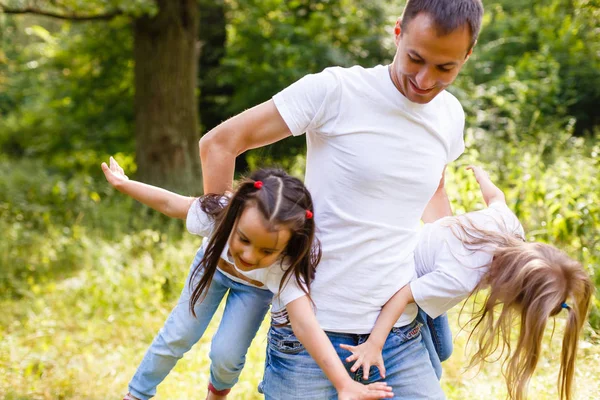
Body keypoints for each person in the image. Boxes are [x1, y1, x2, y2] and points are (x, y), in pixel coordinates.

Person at [198, 0, 484, 398]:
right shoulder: (336, 90)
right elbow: (219, 143)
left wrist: (460, 257)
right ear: (398, 32)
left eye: (444, 68)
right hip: (308, 336)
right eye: (415, 59)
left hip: (398, 336)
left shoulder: (450, 115)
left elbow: (433, 192)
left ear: (467, 56)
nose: (423, 79)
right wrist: (233, 246)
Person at [101, 158, 393, 400]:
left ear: (286, 247)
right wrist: (124, 184)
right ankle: (137, 394)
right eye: (244, 239)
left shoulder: (283, 266)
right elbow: (169, 203)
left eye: (266, 250)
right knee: (179, 333)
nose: (250, 257)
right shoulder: (219, 213)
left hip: (253, 291)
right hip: (211, 269)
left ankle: (216, 394)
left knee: (226, 354)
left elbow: (304, 325)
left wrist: (343, 383)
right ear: (236, 216)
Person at [341, 165, 593, 400]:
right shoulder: (460, 278)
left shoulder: (511, 228)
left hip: (433, 266)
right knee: (434, 367)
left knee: (444, 350)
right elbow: (403, 295)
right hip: (409, 278)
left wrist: (482, 176)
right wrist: (374, 345)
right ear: (512, 293)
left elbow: (496, 198)